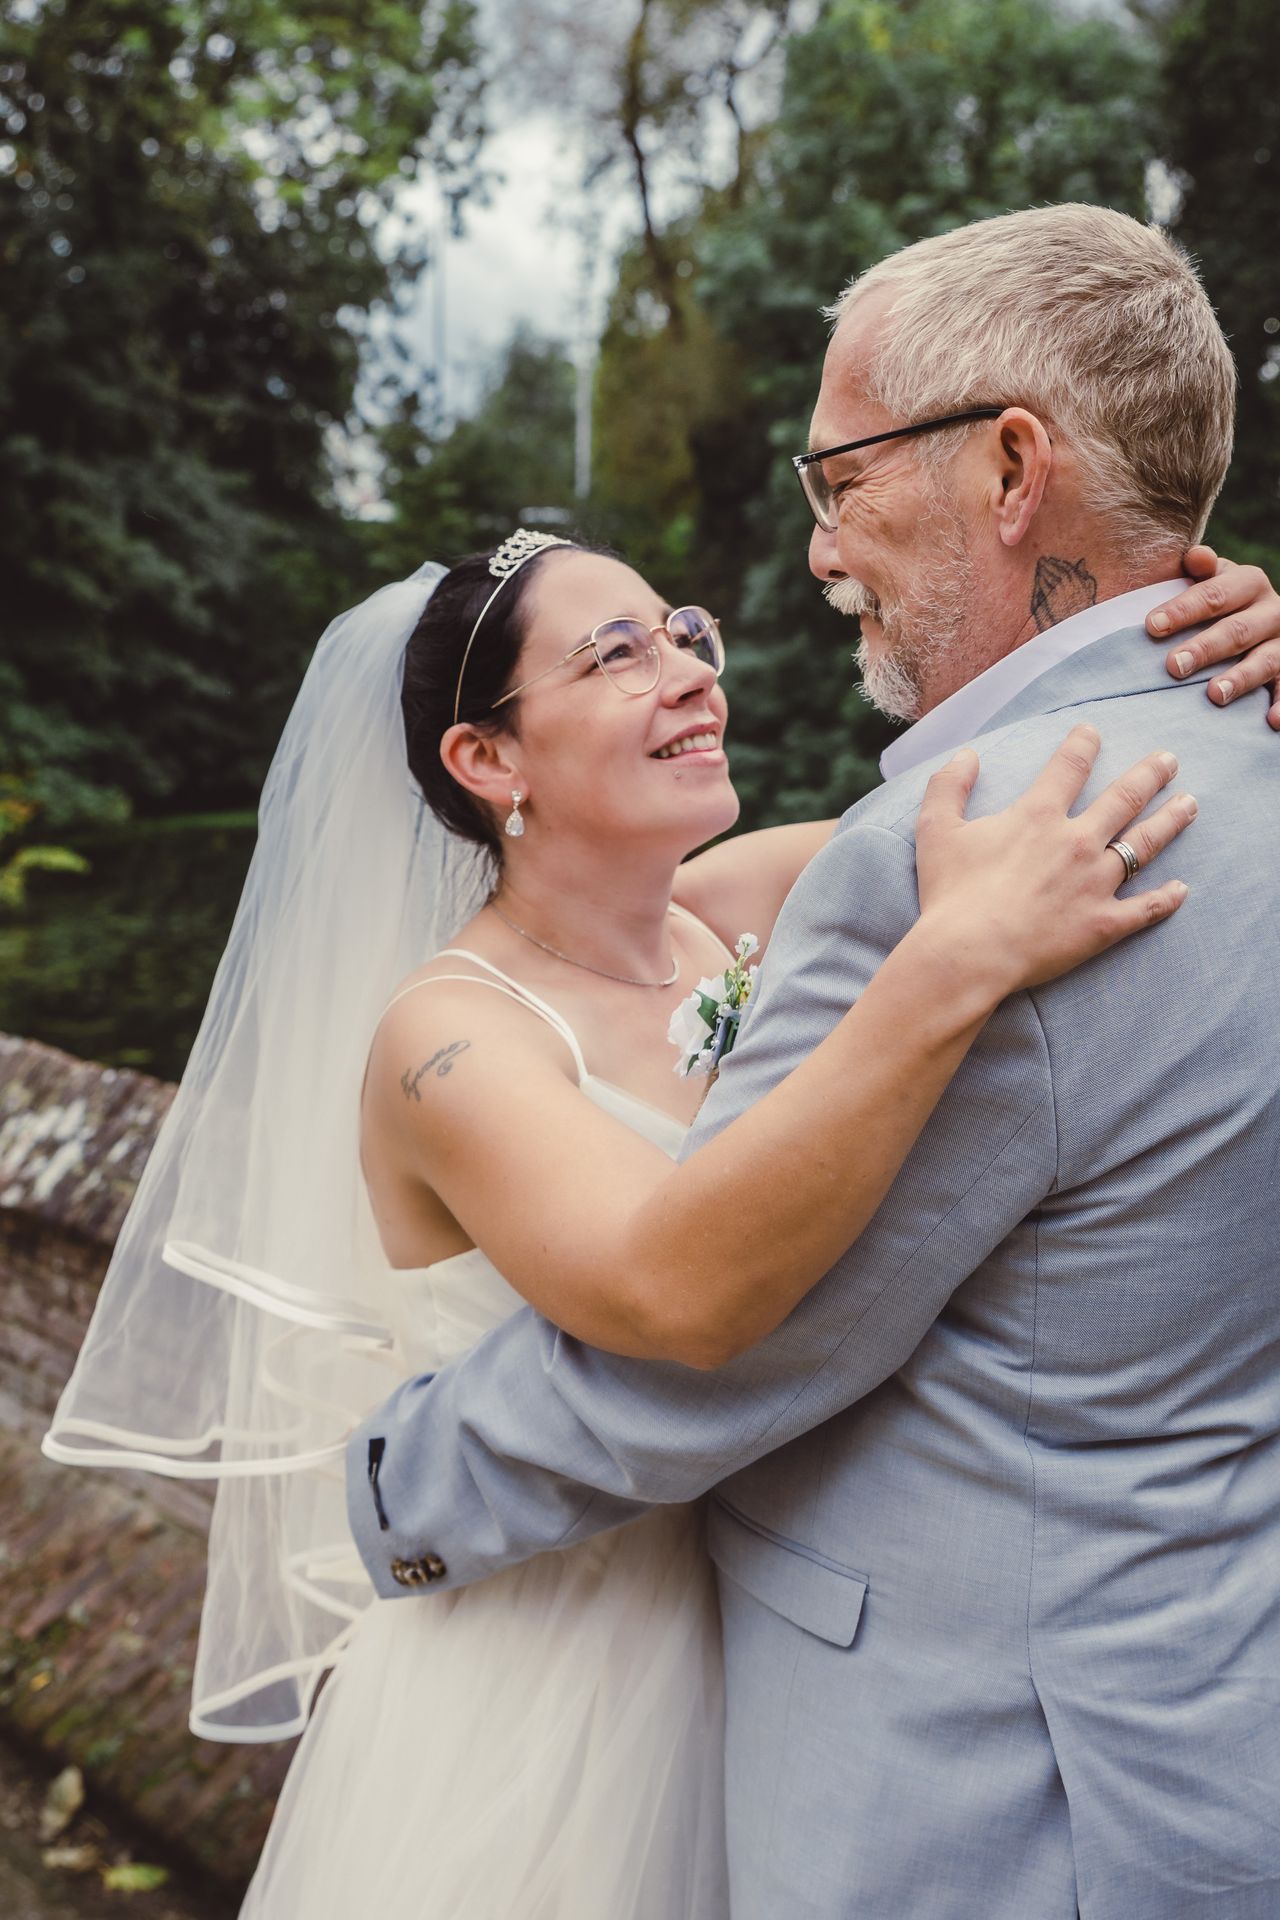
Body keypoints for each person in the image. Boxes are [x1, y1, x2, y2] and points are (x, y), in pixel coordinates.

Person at [346, 205, 1280, 1920]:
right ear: (489, 761)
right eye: (613, 651)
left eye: (840, 482)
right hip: (1184, 1712)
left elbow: (733, 1330)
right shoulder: (1232, 756)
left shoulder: (973, 851)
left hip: (985, 1782)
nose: (811, 559)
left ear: (1013, 469)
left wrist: (391, 1491)